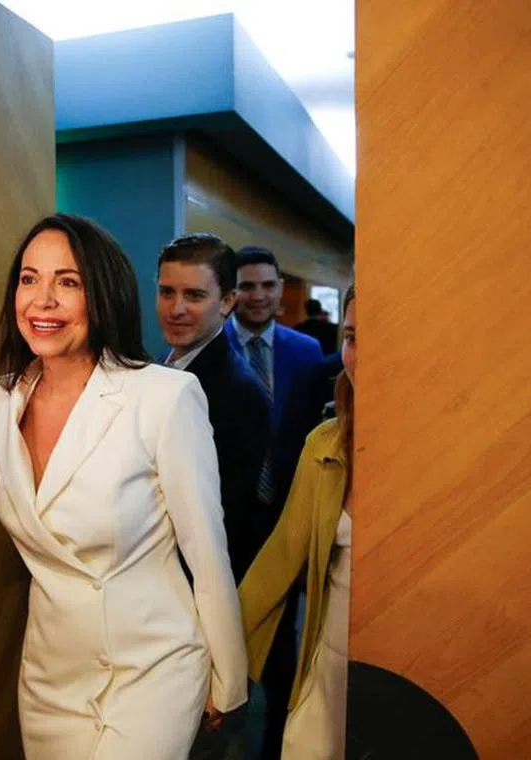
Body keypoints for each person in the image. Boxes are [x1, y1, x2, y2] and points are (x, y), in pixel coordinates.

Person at [0, 214, 247, 759]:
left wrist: (229, 677)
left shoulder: (163, 396)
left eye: (68, 282)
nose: (43, 301)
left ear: (102, 294)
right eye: (29, 279)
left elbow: (205, 549)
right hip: (51, 677)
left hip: (152, 670)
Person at [155, 233, 270, 759]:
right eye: (167, 291)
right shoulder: (162, 368)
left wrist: (215, 656)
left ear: (227, 302)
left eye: (194, 295)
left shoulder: (237, 392)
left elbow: (223, 533)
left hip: (188, 620)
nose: (176, 308)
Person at [239, 284, 357, 760]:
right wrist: (220, 661)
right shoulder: (324, 445)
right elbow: (279, 559)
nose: (361, 356)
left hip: (408, 672)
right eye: (352, 338)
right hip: (330, 665)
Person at [223, 245, 324, 759]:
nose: (259, 296)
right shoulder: (212, 345)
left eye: (268, 285)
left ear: (281, 289)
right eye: (248, 285)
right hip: (226, 523)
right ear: (231, 292)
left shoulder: (307, 352)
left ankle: (275, 747)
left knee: (283, 649)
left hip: (285, 518)